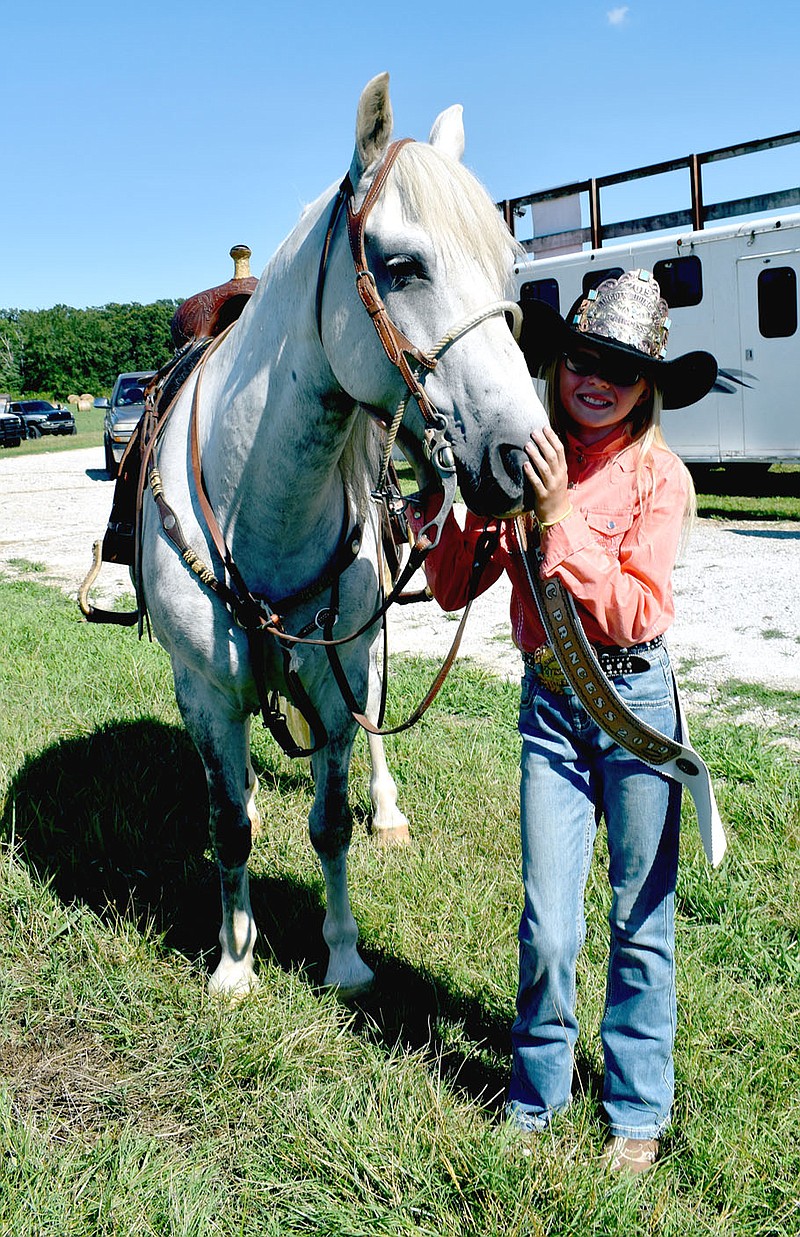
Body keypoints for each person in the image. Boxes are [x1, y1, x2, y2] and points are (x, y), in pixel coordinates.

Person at [406, 269, 718, 1174]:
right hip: (550, 708)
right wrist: (453, 506)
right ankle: (537, 1094)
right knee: (549, 921)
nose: (597, 377)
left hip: (631, 706)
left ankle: (635, 1107)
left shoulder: (661, 478)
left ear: (647, 385)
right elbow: (458, 585)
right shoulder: (525, 452)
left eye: (620, 367)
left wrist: (555, 516)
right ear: (558, 364)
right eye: (584, 357)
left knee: (640, 916)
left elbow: (633, 613)